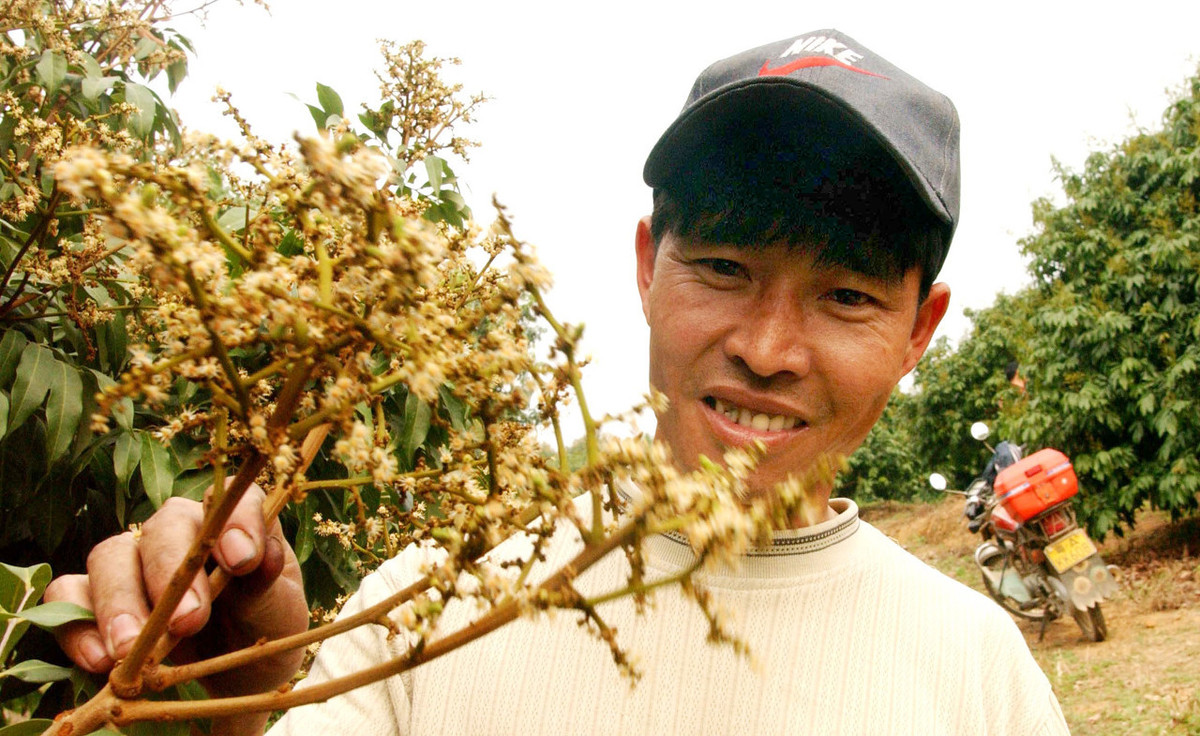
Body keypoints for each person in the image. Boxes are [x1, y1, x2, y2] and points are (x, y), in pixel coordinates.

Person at [48, 29, 1071, 735]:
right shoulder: (422, 610)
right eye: (723, 267)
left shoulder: (983, 679)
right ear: (643, 265)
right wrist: (232, 703)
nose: (768, 346)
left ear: (919, 331)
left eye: (845, 296)